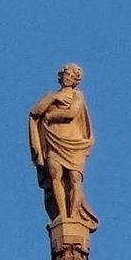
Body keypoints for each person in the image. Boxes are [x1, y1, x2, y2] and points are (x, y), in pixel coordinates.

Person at [28, 63, 98, 231]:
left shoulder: (77, 95)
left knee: (74, 177)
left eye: (72, 76)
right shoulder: (51, 96)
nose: (68, 78)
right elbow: (35, 112)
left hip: (72, 142)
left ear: (76, 80)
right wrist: (51, 99)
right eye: (66, 74)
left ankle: (73, 216)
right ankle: (62, 214)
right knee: (55, 174)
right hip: (54, 141)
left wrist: (52, 115)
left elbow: (71, 113)